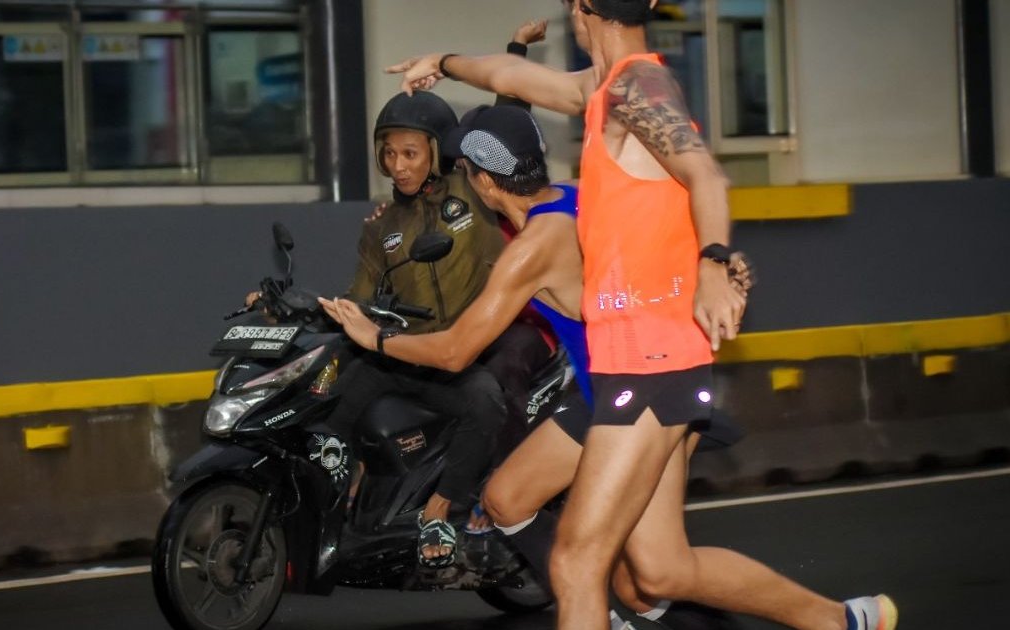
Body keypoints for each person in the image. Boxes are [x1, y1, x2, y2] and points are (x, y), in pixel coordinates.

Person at [385, 2, 898, 629]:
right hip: (642, 361)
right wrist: (442, 62)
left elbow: (706, 174)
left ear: (581, 9)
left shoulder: (637, 86)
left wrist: (712, 261)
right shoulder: (607, 87)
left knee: (576, 564)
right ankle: (843, 622)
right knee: (658, 572)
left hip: (649, 361)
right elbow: (515, 80)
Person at [322, 103, 747, 630]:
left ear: (482, 180)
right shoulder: (570, 196)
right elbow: (654, 219)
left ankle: (825, 617)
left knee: (646, 574)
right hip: (606, 388)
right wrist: (718, 262)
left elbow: (455, 351)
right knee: (512, 504)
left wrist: (377, 339)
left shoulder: (528, 248)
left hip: (634, 394)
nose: (404, 164)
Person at [313, 23, 554, 569]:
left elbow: (506, 122)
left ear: (439, 154)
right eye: (389, 154)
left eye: (410, 153)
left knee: (486, 401)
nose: (397, 165)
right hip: (410, 351)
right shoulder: (381, 225)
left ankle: (445, 509)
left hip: (461, 351)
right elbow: (360, 293)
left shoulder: (473, 190)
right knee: (336, 394)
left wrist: (517, 50)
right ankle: (341, 503)